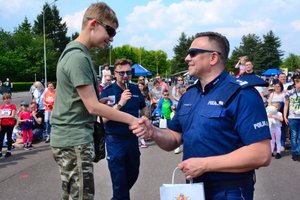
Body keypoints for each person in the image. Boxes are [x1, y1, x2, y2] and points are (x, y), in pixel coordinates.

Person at [134, 32, 271, 200]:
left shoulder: (242, 94)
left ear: (213, 58)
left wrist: (205, 165)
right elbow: (175, 137)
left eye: (193, 53)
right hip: (194, 189)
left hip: (230, 191)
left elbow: (261, 154)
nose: (186, 58)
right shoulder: (189, 94)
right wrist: (153, 132)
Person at [50, 3, 146, 200]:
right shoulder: (78, 57)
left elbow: (80, 101)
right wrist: (132, 120)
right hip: (74, 138)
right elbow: (93, 107)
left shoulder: (75, 52)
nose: (110, 38)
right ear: (93, 24)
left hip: (72, 137)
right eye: (110, 31)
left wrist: (97, 101)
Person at [100, 59, 148, 200]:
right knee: (119, 181)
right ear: (115, 73)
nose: (126, 75)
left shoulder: (134, 89)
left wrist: (146, 118)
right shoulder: (108, 92)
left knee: (133, 173)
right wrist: (120, 103)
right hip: (115, 141)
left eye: (128, 72)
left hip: (133, 139)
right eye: (122, 73)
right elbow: (102, 119)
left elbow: (143, 108)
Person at [283, 73, 300, 161]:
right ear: (294, 83)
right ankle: (294, 152)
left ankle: (298, 151)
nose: (299, 84)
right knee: (294, 135)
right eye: (297, 82)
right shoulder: (289, 92)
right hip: (292, 117)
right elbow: (286, 105)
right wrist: (285, 116)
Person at [0, 94, 16, 158]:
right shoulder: (2, 107)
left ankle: (8, 151)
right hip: (2, 124)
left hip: (10, 124)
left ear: (10, 99)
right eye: (5, 99)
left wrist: (3, 116)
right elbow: (0, 116)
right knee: (1, 138)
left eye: (8, 98)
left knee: (9, 138)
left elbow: (12, 116)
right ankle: (0, 151)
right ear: (3, 100)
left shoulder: (13, 106)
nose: (7, 100)